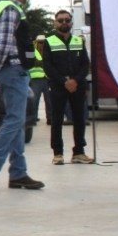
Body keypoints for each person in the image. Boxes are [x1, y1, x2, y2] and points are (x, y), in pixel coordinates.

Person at [0, 0, 44, 193]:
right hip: (14, 70)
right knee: (14, 121)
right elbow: (5, 43)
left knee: (16, 122)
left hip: (13, 71)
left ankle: (18, 173)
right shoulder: (11, 9)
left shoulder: (3, 7)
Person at [42, 10, 93, 165]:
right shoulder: (49, 42)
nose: (64, 22)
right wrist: (64, 81)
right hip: (58, 86)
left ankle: (79, 152)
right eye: (60, 20)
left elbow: (85, 64)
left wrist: (76, 81)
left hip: (77, 86)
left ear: (71, 22)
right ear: (55, 23)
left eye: (67, 20)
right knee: (57, 119)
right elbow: (48, 66)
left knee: (79, 119)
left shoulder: (79, 41)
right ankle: (58, 153)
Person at [30, 34, 53, 125]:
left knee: (49, 100)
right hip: (36, 79)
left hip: (47, 78)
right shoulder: (31, 51)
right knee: (34, 100)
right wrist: (45, 62)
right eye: (40, 42)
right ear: (36, 42)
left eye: (44, 42)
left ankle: (50, 118)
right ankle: (33, 118)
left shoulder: (48, 51)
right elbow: (32, 62)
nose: (42, 44)